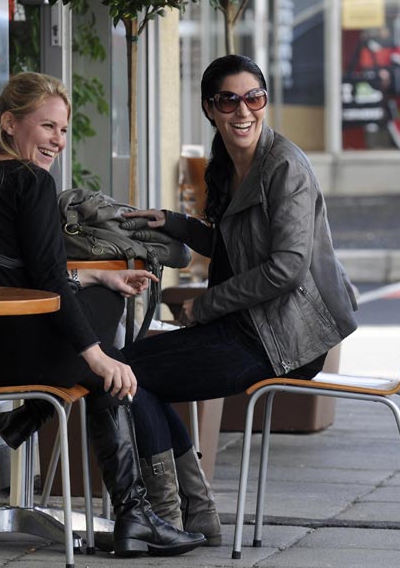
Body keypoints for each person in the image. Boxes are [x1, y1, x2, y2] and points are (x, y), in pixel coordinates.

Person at [0, 72, 206, 557]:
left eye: (62, 130)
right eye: (47, 127)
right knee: (111, 361)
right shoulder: (30, 182)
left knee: (105, 308)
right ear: (9, 123)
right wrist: (96, 356)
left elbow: (17, 274)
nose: (57, 140)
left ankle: (36, 424)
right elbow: (49, 282)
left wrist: (97, 276)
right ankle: (134, 513)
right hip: (15, 356)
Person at [121, 54, 359, 542]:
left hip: (284, 338)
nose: (243, 111)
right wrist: (174, 222)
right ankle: (190, 510)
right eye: (229, 100)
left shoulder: (284, 166)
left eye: (254, 98)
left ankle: (172, 513)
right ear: (210, 108)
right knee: (126, 371)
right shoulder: (229, 165)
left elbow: (287, 267)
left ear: (265, 101)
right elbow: (237, 245)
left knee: (126, 374)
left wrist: (203, 306)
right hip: (249, 326)